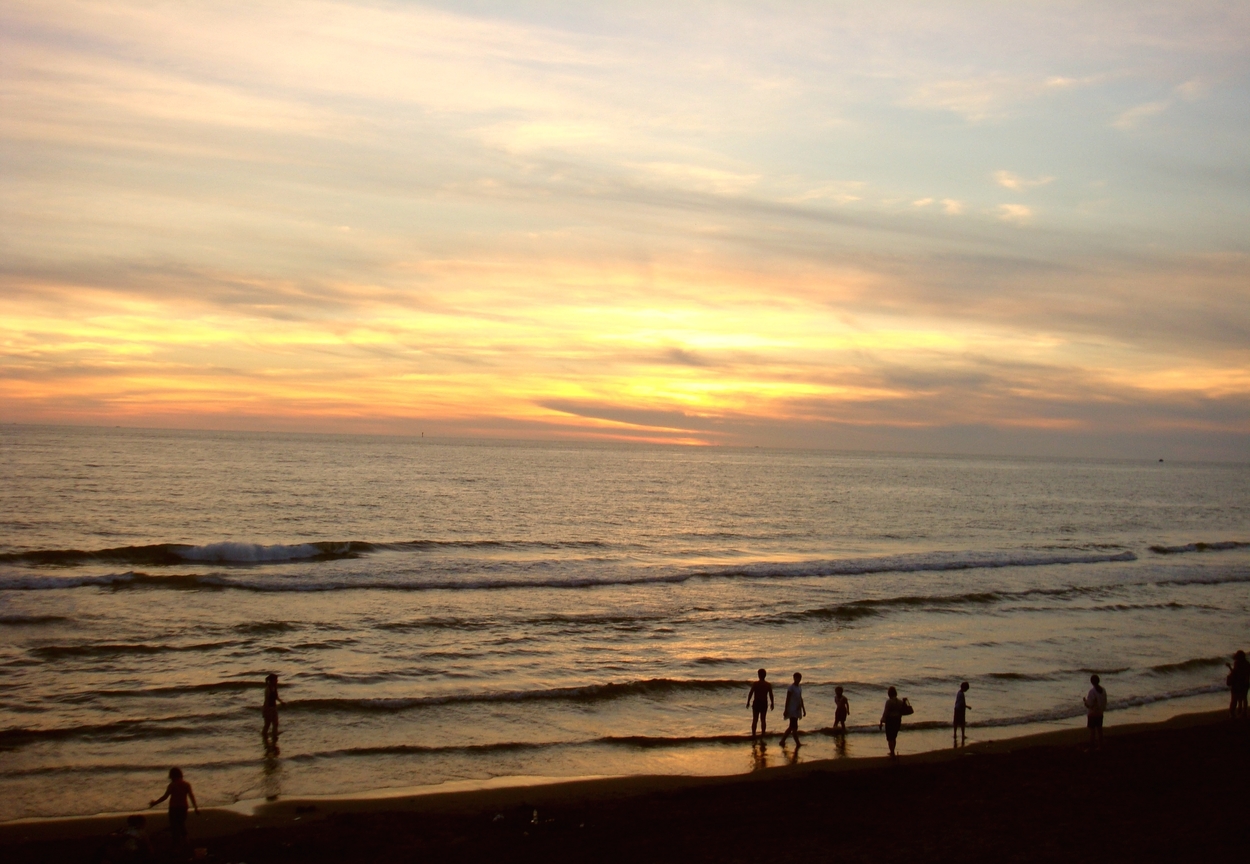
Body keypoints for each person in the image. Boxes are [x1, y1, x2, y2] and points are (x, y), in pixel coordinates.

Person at [149, 767, 198, 849]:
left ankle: (177, 845)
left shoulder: (172, 785)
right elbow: (191, 796)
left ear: (172, 776)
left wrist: (155, 803)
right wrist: (195, 807)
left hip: (174, 808)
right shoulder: (186, 784)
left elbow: (165, 797)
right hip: (183, 807)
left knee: (175, 827)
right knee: (181, 824)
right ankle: (186, 841)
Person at [879, 686, 910, 757]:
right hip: (897, 720)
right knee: (894, 737)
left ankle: (892, 752)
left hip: (890, 721)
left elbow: (885, 713)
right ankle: (892, 752)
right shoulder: (900, 702)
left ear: (889, 693)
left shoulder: (889, 702)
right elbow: (903, 711)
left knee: (890, 738)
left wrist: (881, 722)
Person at [779, 672, 806, 747]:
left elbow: (800, 698)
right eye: (796, 678)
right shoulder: (791, 687)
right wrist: (785, 709)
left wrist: (803, 709)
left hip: (797, 709)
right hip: (792, 709)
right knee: (793, 726)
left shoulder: (799, 687)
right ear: (794, 678)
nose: (798, 679)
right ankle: (797, 743)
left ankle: (783, 741)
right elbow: (787, 699)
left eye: (799, 678)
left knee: (793, 727)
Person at [746, 668, 774, 737]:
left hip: (757, 702)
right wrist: (772, 703)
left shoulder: (755, 684)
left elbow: (751, 693)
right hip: (764, 702)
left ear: (759, 675)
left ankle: (753, 734)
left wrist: (748, 701)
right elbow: (771, 695)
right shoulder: (768, 684)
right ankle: (763, 734)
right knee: (763, 719)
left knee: (755, 719)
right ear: (765, 675)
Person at [1083, 674, 1108, 749]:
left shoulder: (1092, 691)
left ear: (1091, 682)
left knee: (1092, 732)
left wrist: (1085, 701)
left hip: (1093, 714)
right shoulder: (1103, 690)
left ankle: (1091, 747)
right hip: (1100, 713)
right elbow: (1104, 701)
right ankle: (1100, 745)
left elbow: (1089, 704)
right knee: (1100, 730)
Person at [1226, 650, 1249, 719]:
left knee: (1234, 699)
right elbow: (1247, 675)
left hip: (1237, 683)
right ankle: (1244, 712)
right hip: (1245, 683)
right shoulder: (1247, 664)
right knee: (1244, 698)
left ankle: (1232, 713)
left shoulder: (1237, 663)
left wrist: (1229, 667)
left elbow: (1235, 673)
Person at [262, 672, 284, 743]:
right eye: (275, 680)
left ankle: (274, 737)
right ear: (271, 680)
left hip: (274, 708)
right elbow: (266, 700)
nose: (277, 681)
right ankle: (264, 736)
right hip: (268, 708)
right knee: (267, 724)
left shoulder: (275, 687)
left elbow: (276, 697)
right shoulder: (268, 689)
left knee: (276, 723)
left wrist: (281, 701)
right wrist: (265, 711)